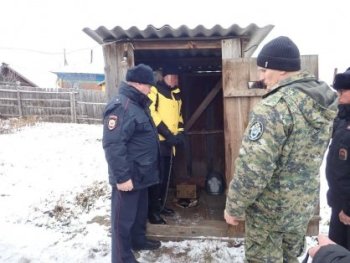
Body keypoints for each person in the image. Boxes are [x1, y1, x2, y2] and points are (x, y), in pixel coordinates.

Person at [224, 36, 338, 262]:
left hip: (269, 213)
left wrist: (234, 207)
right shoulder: (322, 103)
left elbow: (253, 169)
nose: (261, 77)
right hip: (299, 207)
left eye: (264, 71)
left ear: (282, 70)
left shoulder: (275, 107)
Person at [102, 63, 161, 263]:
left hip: (141, 174)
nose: (151, 89)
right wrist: (122, 177)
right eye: (149, 85)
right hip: (128, 176)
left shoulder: (138, 105)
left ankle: (138, 241)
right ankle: (121, 257)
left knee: (139, 215)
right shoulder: (122, 106)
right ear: (137, 84)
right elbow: (113, 145)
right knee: (122, 221)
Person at [147, 64, 184, 224]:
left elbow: (179, 116)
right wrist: (167, 134)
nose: (175, 79)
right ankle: (152, 211)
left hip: (171, 143)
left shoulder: (176, 94)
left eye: (177, 76)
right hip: (158, 142)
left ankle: (161, 206)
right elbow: (151, 113)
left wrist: (180, 134)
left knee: (167, 177)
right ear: (164, 77)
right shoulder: (155, 91)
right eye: (172, 76)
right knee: (157, 178)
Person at [325, 67, 350, 250]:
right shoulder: (342, 117)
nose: (338, 96)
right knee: (336, 252)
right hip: (339, 204)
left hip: (348, 209)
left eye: (343, 91)